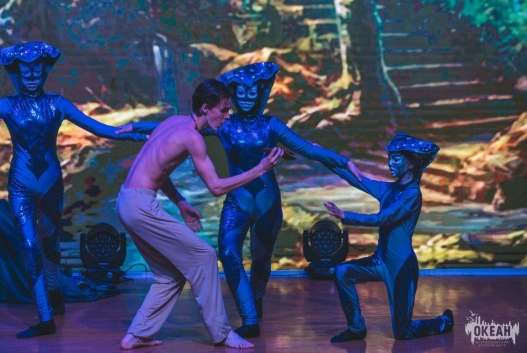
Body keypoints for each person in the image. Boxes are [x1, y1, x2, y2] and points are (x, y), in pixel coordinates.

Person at [120, 62, 363, 337]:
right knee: (228, 254)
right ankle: (249, 320)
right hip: (237, 201)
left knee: (261, 258)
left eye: (252, 92)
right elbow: (176, 127)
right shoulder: (225, 123)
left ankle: (255, 302)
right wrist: (134, 126)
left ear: (261, 93)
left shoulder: (271, 125)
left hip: (267, 204)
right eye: (241, 92)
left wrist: (344, 161)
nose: (246, 97)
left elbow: (307, 149)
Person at [0, 41, 149, 338]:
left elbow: (103, 130)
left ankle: (54, 294)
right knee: (31, 248)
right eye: (26, 70)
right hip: (21, 186)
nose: (31, 75)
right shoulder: (7, 105)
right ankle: (46, 317)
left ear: (44, 71)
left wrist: (146, 134)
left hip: (51, 186)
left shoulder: (58, 103)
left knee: (51, 244)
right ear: (17, 73)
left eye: (36, 69)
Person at [115, 79, 284, 350]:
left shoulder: (173, 122)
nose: (227, 116)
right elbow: (216, 187)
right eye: (224, 110)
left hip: (127, 201)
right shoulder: (192, 137)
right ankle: (222, 333)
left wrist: (180, 202)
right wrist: (260, 169)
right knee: (204, 256)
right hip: (140, 206)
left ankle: (137, 335)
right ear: (206, 108)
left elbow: (159, 170)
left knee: (169, 276)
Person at [323, 133, 454, 342]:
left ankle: (443, 322)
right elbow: (356, 179)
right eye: (389, 158)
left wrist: (345, 215)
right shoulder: (389, 189)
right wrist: (320, 155)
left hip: (401, 268)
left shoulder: (412, 195)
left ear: (411, 163)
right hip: (379, 262)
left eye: (396, 159)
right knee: (342, 273)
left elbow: (384, 218)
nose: (390, 163)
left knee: (403, 332)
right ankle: (356, 328)